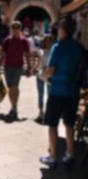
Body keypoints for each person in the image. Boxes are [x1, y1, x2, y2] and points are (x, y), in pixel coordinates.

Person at [40, 18, 85, 167]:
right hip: (73, 92)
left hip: (58, 91)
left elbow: (51, 70)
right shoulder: (79, 47)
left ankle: (52, 156)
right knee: (69, 124)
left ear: (63, 30)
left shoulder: (57, 47)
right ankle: (70, 154)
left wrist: (45, 74)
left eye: (59, 28)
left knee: (52, 124)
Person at [1, 21, 31, 120]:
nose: (15, 30)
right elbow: (3, 54)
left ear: (20, 29)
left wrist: (29, 67)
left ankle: (14, 107)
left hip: (18, 67)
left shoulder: (24, 41)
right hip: (7, 67)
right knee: (10, 88)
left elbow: (27, 54)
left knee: (14, 87)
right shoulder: (7, 40)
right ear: (11, 29)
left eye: (17, 28)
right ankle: (13, 107)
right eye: (13, 28)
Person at [32, 34, 54, 123]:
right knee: (40, 94)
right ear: (44, 42)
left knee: (49, 95)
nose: (48, 42)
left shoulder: (54, 52)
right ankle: (41, 113)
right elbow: (38, 61)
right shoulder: (41, 51)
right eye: (46, 40)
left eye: (50, 40)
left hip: (50, 76)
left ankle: (48, 113)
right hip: (40, 75)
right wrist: (33, 68)